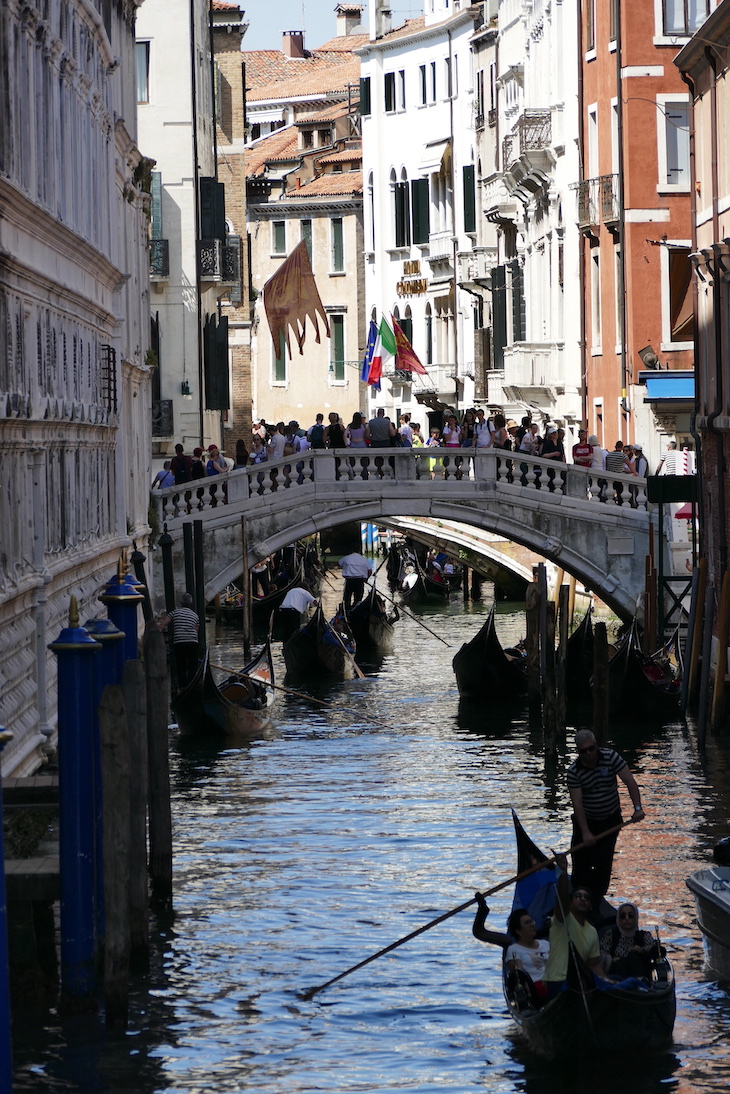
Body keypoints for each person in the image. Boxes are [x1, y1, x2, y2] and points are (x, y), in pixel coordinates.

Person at [567, 729, 645, 900]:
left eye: (591, 748)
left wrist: (637, 808)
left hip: (610, 821)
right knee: (581, 863)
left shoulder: (610, 757)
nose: (588, 753)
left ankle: (596, 900)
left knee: (603, 862)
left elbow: (630, 782)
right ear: (578, 751)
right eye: (583, 751)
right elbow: (577, 804)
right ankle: (578, 899)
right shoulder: (574, 771)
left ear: (596, 746)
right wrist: (586, 831)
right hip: (585, 822)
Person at [543, 854, 603, 997]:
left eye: (586, 898)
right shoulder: (563, 919)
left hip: (580, 983)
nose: (583, 899)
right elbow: (562, 898)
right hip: (557, 981)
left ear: (590, 907)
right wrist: (563, 873)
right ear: (571, 903)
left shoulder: (592, 931)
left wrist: (608, 981)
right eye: (578, 896)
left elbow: (593, 964)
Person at [599, 902, 655, 980]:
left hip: (640, 974)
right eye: (623, 916)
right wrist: (611, 959)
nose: (627, 918)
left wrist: (641, 950)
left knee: (634, 956)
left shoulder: (645, 935)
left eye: (630, 916)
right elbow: (602, 951)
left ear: (636, 917)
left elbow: (653, 949)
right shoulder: (611, 935)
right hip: (617, 974)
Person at [505, 907, 550, 1003]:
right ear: (518, 931)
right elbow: (519, 976)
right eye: (527, 923)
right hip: (536, 986)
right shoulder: (514, 950)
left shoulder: (545, 944)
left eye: (532, 922)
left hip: (553, 980)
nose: (532, 925)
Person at [165, 592, 199, 688]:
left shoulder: (174, 613)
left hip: (179, 643)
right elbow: (196, 631)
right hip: (193, 643)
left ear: (180, 602)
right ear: (190, 603)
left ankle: (182, 687)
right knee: (192, 666)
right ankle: (191, 685)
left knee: (181, 666)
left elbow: (163, 624)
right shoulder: (195, 615)